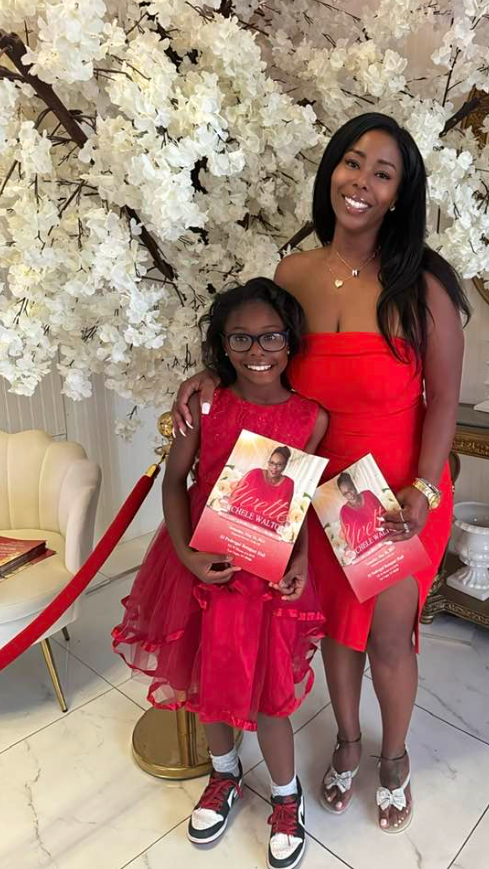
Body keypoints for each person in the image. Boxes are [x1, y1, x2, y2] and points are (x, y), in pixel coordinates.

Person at [171, 112, 469, 833]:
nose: (361, 181)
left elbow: (444, 402)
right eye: (352, 162)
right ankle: (347, 739)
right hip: (307, 484)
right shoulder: (293, 273)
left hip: (386, 492)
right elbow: (263, 356)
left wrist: (424, 490)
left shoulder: (423, 286)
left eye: (382, 173)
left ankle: (393, 756)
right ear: (331, 169)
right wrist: (207, 376)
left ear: (399, 194)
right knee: (336, 630)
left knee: (388, 637)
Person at [112, 278, 328, 869]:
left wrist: (302, 557)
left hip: (269, 574)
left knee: (271, 694)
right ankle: (224, 773)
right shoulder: (204, 405)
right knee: (208, 679)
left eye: (271, 337)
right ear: (222, 344)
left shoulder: (310, 417)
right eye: (241, 338)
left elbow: (302, 499)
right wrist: (187, 556)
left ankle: (286, 796)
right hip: (205, 564)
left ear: (291, 340)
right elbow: (174, 482)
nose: (257, 351)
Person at [229, 446, 295, 534]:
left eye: (279, 464)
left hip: (263, 535)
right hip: (237, 527)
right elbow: (234, 500)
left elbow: (282, 515)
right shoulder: (255, 474)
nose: (274, 467)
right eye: (271, 463)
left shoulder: (288, 484)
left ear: (285, 466)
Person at [337, 472, 385, 558]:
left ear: (354, 485)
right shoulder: (344, 512)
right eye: (345, 493)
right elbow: (351, 542)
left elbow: (385, 515)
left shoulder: (368, 495)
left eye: (350, 489)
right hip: (367, 554)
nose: (349, 494)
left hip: (385, 540)